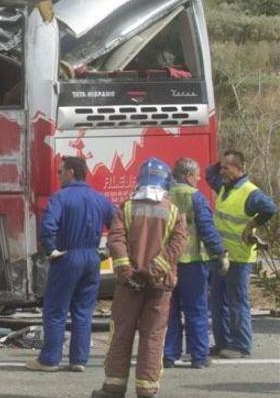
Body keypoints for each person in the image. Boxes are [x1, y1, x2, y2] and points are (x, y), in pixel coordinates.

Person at [94, 158, 188, 398]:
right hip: (159, 286)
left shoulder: (126, 208)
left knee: (121, 333)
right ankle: (146, 390)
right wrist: (151, 273)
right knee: (153, 337)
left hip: (129, 287)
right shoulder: (174, 211)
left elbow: (116, 241)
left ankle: (114, 387)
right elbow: (177, 246)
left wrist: (128, 274)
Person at [25, 156, 114, 373]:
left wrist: (51, 249)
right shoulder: (100, 199)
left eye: (60, 171)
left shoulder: (60, 198)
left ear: (71, 172)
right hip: (92, 258)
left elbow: (48, 226)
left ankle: (49, 359)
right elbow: (118, 226)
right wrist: (108, 250)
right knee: (83, 311)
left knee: (55, 310)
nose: (58, 175)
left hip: (67, 256)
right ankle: (79, 360)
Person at [206, 150, 277, 359]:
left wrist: (251, 226)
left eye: (227, 167)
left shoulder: (249, 192)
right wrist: (222, 160)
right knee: (218, 303)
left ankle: (241, 345)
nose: (222, 171)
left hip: (239, 257)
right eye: (223, 167)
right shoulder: (224, 187)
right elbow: (209, 173)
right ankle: (223, 343)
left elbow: (270, 208)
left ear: (240, 168)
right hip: (221, 256)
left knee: (237, 302)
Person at [163, 157, 228, 369]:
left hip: (168, 262)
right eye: (197, 176)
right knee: (196, 310)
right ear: (189, 176)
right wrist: (220, 253)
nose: (199, 179)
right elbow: (207, 230)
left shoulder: (164, 196)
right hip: (193, 262)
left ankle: (169, 355)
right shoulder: (196, 197)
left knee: (169, 310)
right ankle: (199, 356)